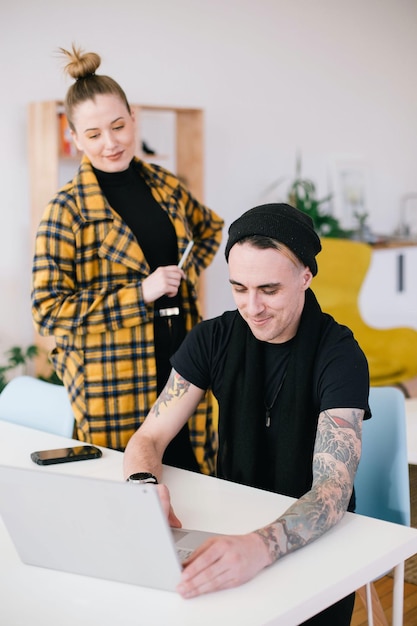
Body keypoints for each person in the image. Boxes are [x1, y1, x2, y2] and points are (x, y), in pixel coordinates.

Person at [123, 202, 370, 625]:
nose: (251, 307)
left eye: (269, 290)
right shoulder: (213, 338)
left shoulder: (339, 355)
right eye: (239, 288)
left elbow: (333, 490)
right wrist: (144, 488)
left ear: (305, 277)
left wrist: (260, 546)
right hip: (230, 518)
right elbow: (149, 437)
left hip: (316, 542)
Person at [31, 44, 224, 475]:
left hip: (182, 362)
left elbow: (209, 229)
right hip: (112, 381)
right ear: (74, 137)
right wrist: (141, 294)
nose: (111, 142)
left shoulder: (164, 184)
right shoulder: (66, 210)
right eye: (94, 134)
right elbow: (47, 314)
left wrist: (181, 278)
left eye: (119, 126)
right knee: (127, 492)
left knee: (197, 480)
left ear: (134, 118)